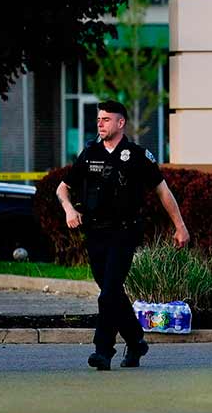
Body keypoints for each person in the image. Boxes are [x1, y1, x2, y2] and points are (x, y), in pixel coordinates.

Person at [56, 100, 190, 371]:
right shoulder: (89, 153)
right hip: (95, 233)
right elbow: (62, 188)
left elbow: (163, 192)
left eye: (106, 119)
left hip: (124, 232)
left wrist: (180, 226)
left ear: (120, 123)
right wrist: (69, 209)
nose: (100, 124)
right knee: (112, 293)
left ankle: (103, 351)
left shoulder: (137, 155)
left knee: (108, 295)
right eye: (98, 119)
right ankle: (136, 341)